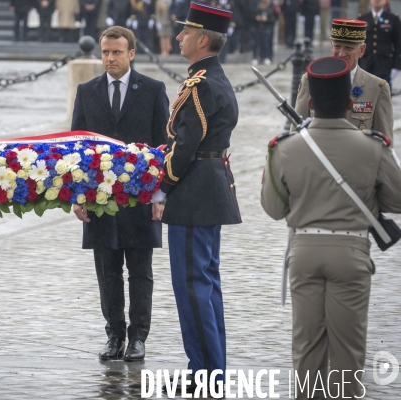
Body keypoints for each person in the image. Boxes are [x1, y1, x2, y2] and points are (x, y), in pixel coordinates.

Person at [261, 56, 401, 398]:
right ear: (351, 102)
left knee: (306, 348)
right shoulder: (373, 146)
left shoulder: (285, 148)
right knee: (347, 353)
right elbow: (397, 201)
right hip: (351, 252)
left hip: (305, 252)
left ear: (310, 103)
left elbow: (274, 208)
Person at [153, 1, 241, 390]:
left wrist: (161, 185)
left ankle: (204, 374)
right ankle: (209, 368)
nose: (179, 37)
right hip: (208, 189)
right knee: (205, 284)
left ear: (203, 39)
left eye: (186, 32)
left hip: (193, 194)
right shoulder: (213, 78)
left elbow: (185, 145)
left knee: (193, 287)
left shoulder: (201, 83)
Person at [71, 26, 169, 362]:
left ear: (131, 53)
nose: (109, 58)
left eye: (116, 52)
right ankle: (114, 334)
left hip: (140, 197)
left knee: (140, 271)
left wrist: (160, 196)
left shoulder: (153, 90)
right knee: (107, 270)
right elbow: (76, 148)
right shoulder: (87, 91)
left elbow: (163, 146)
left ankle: (139, 337)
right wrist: (77, 195)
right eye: (105, 52)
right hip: (99, 199)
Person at [293, 19, 394, 142]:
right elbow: (296, 134)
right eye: (337, 46)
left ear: (361, 50)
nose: (341, 53)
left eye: (348, 48)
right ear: (331, 46)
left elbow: (385, 143)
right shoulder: (311, 80)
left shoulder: (377, 88)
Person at [358, 0, 401, 88]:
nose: (377, 0)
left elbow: (398, 44)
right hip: (365, 64)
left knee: (382, 96)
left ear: (385, 1)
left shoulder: (393, 19)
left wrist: (396, 66)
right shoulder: (362, 18)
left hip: (385, 65)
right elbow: (357, 43)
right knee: (365, 96)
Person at [251, 0, 277, 66]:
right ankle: (255, 57)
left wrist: (266, 19)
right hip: (257, 30)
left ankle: (266, 57)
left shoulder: (269, 11)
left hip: (266, 31)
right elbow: (251, 19)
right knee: (256, 44)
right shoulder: (256, 11)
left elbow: (273, 20)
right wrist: (257, 18)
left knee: (266, 45)